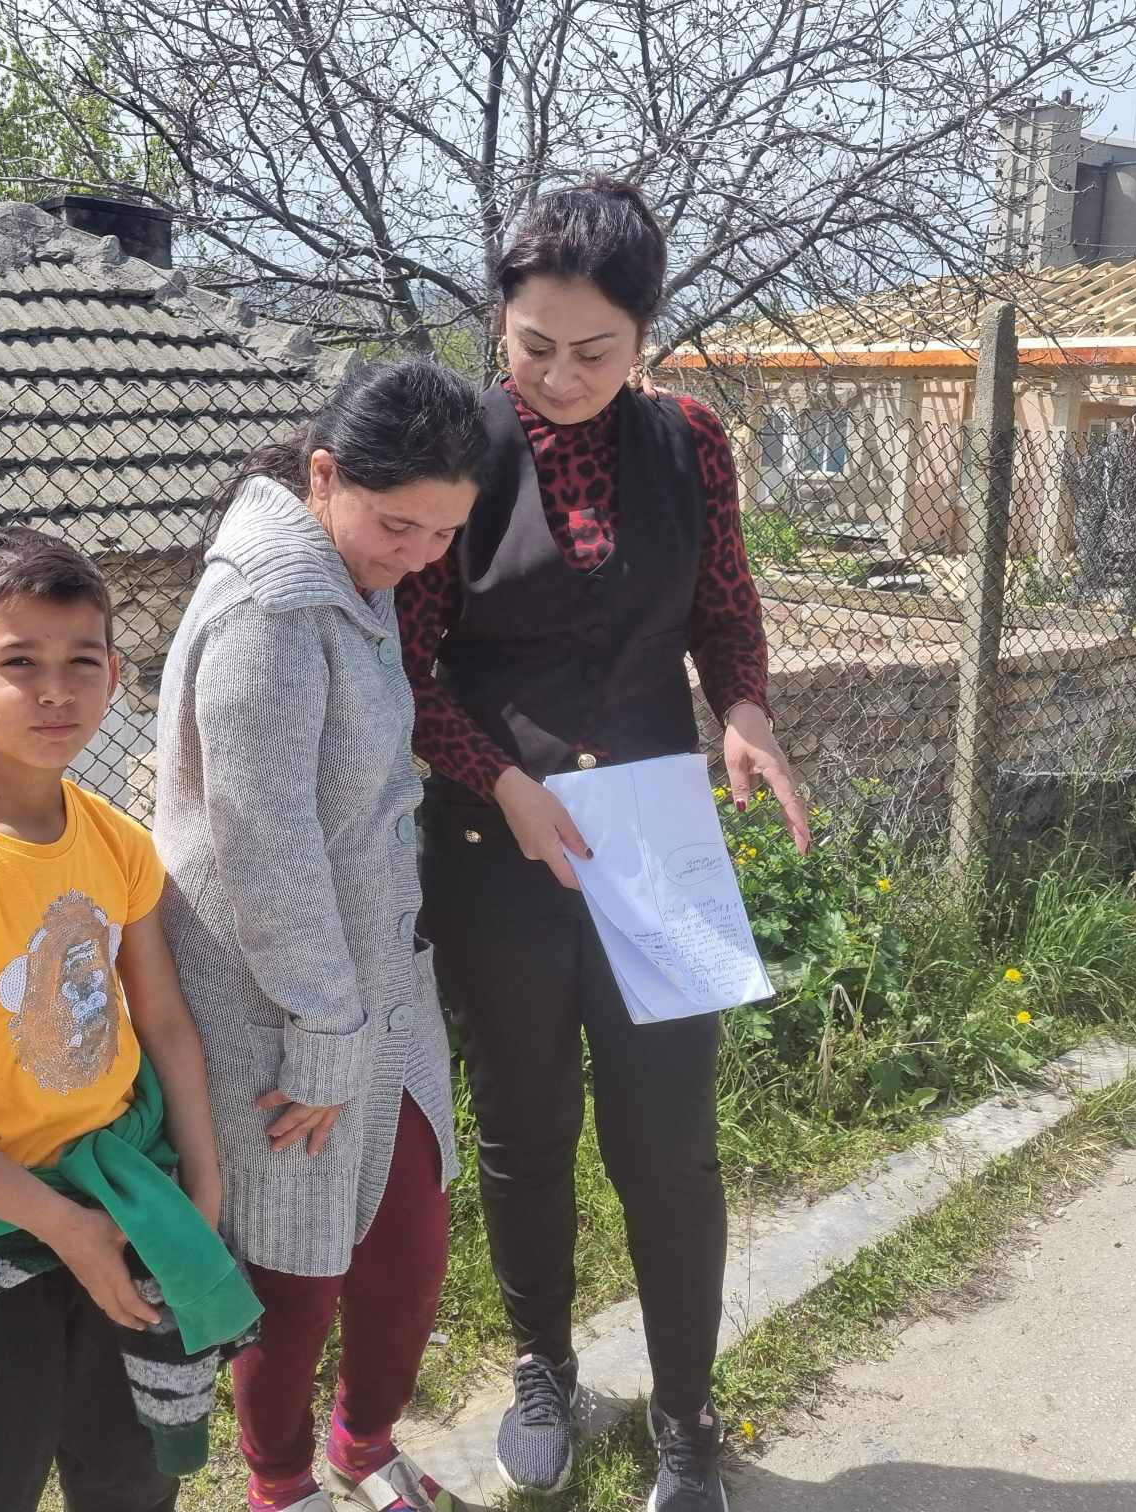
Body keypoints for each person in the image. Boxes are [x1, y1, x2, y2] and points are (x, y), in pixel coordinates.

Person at [397, 177, 812, 1512]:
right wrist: (501, 781)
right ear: (498, 323)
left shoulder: (691, 442)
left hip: (656, 847)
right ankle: (545, 1370)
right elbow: (409, 668)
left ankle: (687, 1415)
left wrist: (742, 711)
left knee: (669, 1144)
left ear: (645, 337)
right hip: (495, 851)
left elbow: (725, 609)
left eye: (597, 351)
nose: (563, 378)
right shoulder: (452, 448)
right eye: (535, 347)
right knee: (525, 1131)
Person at [0, 527, 262, 1512]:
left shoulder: (117, 842)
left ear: (114, 673)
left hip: (123, 1201)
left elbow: (165, 1023)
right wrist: (64, 1227)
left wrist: (202, 1185)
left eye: (82, 661)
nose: (55, 691)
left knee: (131, 1477)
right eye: (19, 662)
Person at [155, 360, 489, 1512]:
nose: (421, 556)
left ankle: (363, 1445)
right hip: (278, 1008)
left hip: (377, 983)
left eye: (446, 532)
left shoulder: (357, 575)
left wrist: (360, 1016)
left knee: (410, 1242)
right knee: (294, 1275)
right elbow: (264, 848)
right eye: (401, 525)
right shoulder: (273, 612)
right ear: (324, 475)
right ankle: (282, 1485)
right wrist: (324, 1037)